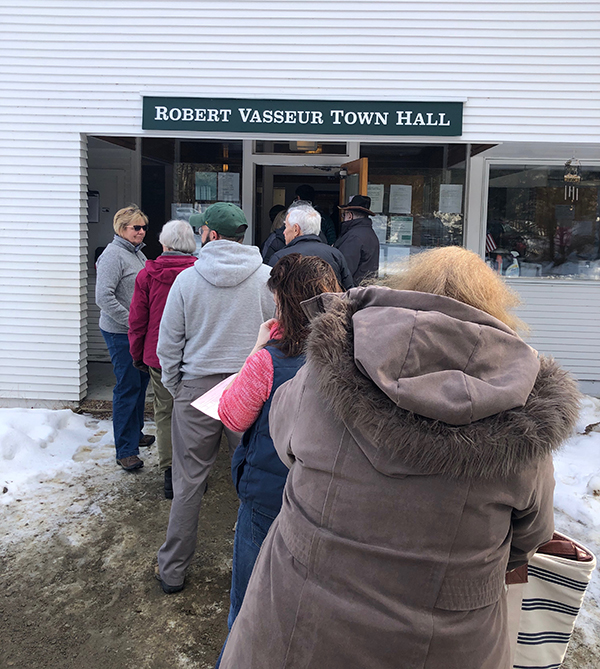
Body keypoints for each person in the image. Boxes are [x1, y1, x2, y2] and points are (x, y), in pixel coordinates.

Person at [219, 246, 580, 669]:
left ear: (406, 290)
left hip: (297, 625)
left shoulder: (323, 375)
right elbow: (531, 537)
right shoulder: (523, 423)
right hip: (449, 644)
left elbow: (284, 443)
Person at [218, 254, 341, 638]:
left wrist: (257, 349)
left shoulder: (269, 361)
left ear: (283, 303)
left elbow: (232, 416)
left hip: (269, 496)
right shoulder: (351, 357)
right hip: (327, 498)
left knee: (248, 606)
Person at [155, 202, 275, 595]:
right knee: (255, 480)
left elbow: (168, 344)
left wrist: (177, 387)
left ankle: (172, 570)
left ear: (211, 234)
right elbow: (281, 334)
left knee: (189, 481)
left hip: (196, 388)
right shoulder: (267, 280)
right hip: (250, 388)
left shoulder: (188, 281)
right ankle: (260, 570)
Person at [128, 219, 197, 498]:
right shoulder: (199, 273)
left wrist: (137, 354)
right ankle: (193, 474)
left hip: (158, 355)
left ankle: (170, 476)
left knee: (165, 412)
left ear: (164, 244)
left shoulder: (147, 275)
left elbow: (137, 321)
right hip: (194, 355)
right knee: (195, 414)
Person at [95, 204, 153, 472]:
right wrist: (132, 322)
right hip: (120, 333)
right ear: (121, 229)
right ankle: (125, 449)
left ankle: (135, 433)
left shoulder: (136, 254)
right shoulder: (113, 255)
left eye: (144, 227)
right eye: (136, 228)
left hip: (136, 332)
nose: (141, 232)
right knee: (128, 387)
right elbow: (103, 297)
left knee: (140, 383)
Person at [268, 203, 354, 290]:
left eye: (286, 227)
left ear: (296, 229)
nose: (284, 232)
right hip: (329, 303)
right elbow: (348, 290)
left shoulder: (280, 258)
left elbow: (269, 294)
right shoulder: (335, 254)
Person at [335, 193, 380, 283]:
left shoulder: (353, 237)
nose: (343, 218)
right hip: (364, 290)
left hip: (353, 292)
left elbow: (345, 271)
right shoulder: (369, 233)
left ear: (350, 216)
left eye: (344, 215)